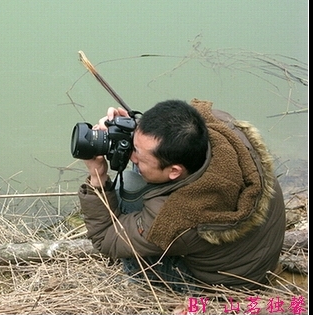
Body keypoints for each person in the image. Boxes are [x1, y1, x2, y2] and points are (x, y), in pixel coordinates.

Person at [77, 98, 286, 293]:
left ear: (175, 172)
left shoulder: (175, 218)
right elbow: (165, 134)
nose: (132, 154)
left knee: (130, 187)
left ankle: (142, 282)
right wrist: (130, 127)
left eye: (138, 157)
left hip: (227, 284)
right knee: (145, 165)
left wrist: (98, 176)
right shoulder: (214, 125)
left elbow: (105, 238)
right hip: (253, 254)